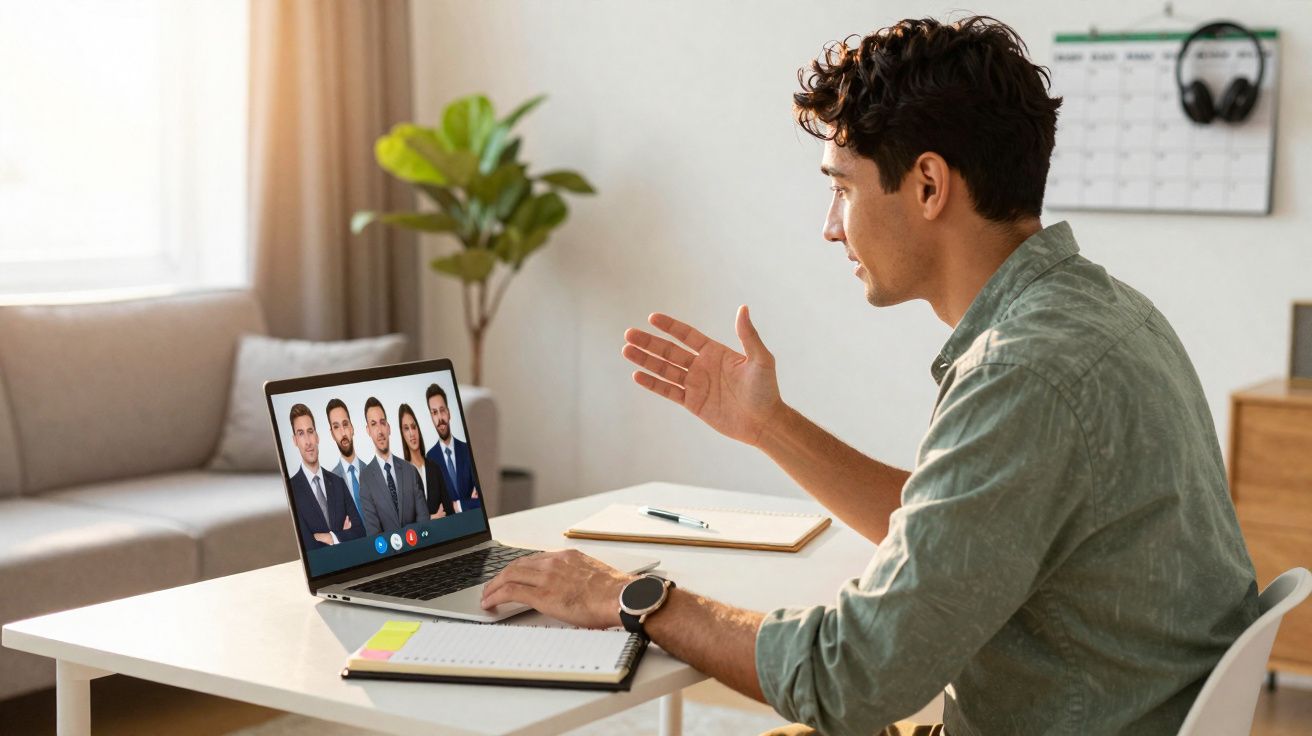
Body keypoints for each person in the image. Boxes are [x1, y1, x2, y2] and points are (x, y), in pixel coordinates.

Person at [481, 16, 1259, 736]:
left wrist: (625, 596)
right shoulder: (1106, 314)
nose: (829, 224)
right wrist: (768, 426)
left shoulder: (1025, 372)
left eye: (842, 185)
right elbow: (964, 531)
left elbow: (853, 677)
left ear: (928, 185)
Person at [286, 403, 364, 550]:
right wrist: (341, 535)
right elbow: (306, 546)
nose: (308, 442)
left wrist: (329, 537)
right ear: (295, 441)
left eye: (310, 432)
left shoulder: (338, 483)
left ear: (317, 436)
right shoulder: (291, 491)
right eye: (301, 434)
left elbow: (360, 531)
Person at [358, 396, 427, 537]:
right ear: (368, 431)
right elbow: (373, 533)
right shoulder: (365, 478)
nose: (380, 431)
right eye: (373, 424)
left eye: (382, 423)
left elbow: (423, 520)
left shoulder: (410, 471)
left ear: (389, 428)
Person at [424, 383, 480, 511]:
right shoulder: (429, 459)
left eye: (442, 410)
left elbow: (481, 501)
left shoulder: (467, 450)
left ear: (449, 413)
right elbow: (436, 509)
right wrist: (467, 503)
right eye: (434, 413)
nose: (440, 418)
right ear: (431, 418)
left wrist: (457, 505)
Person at [398, 401, 457, 518]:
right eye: (406, 429)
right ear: (402, 434)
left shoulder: (434, 468)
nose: (411, 433)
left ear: (418, 430)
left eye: (413, 427)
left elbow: (448, 510)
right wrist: (431, 518)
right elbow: (405, 521)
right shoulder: (401, 475)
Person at [325, 398, 367, 522]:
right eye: (336, 427)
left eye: (345, 424)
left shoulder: (372, 473)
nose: (343, 433)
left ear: (352, 428)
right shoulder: (329, 484)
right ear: (332, 434)